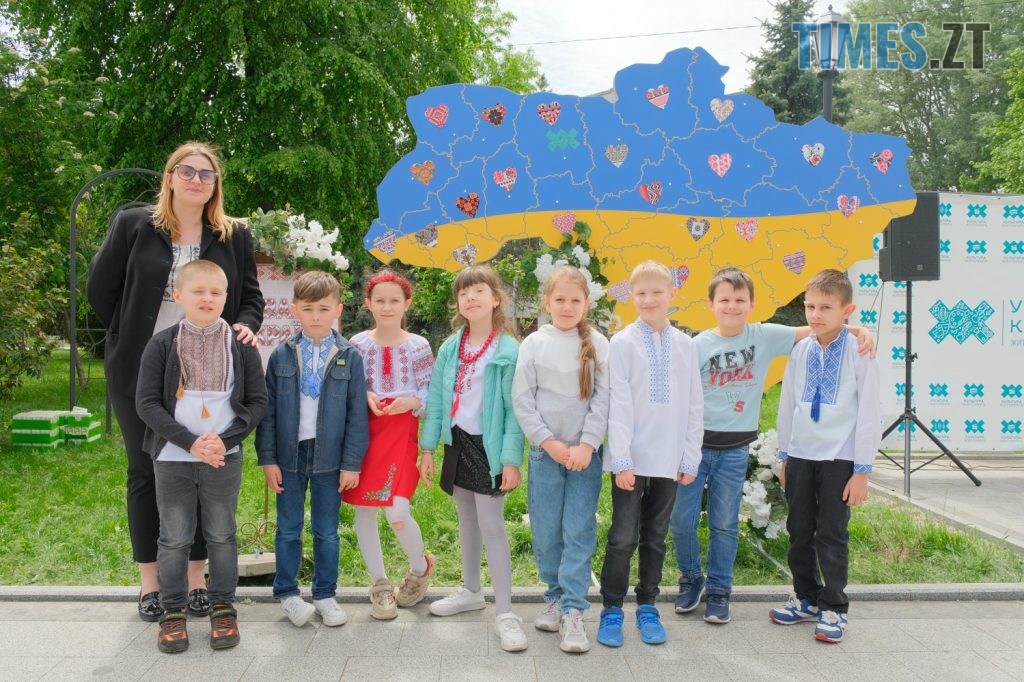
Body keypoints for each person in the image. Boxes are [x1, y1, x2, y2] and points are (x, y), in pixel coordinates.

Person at [87, 141, 264, 622]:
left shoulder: (232, 236)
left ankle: (194, 579)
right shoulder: (133, 225)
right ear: (169, 177)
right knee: (145, 471)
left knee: (204, 465)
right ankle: (151, 583)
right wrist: (128, 333)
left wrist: (245, 325)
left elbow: (249, 297)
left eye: (206, 174)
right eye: (187, 171)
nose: (196, 180)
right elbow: (100, 288)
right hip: (140, 369)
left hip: (210, 370)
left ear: (215, 185)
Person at [669, 268, 875, 624]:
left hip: (761, 452)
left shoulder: (768, 337)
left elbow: (823, 332)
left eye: (740, 300)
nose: (732, 306)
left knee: (734, 524)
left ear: (752, 304)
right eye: (724, 299)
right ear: (710, 304)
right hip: (709, 450)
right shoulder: (700, 345)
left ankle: (727, 591)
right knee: (686, 521)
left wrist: (858, 330)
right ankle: (697, 579)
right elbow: (786, 402)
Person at [134, 259, 267, 653]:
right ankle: (173, 610)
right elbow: (146, 403)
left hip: (224, 457)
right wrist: (191, 443)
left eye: (215, 292)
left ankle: (222, 605)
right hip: (173, 458)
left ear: (226, 297)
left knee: (222, 534)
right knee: (174, 536)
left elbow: (257, 402)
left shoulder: (241, 345)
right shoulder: (162, 344)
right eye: (198, 291)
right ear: (178, 296)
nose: (207, 298)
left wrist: (223, 442)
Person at [768, 269, 881, 644]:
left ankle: (834, 606)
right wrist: (785, 455)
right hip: (801, 455)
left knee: (831, 533)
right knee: (799, 530)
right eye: (810, 306)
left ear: (847, 310)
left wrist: (862, 470)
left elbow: (869, 411)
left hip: (840, 458)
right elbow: (788, 404)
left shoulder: (860, 352)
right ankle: (806, 597)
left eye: (826, 307)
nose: (816, 314)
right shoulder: (800, 350)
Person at [418, 265, 527, 652]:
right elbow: (435, 399)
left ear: (496, 299)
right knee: (466, 519)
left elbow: (515, 411)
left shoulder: (509, 350)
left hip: (489, 448)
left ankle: (506, 613)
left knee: (492, 525)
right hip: (457, 443)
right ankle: (471, 591)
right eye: (463, 293)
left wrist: (511, 459)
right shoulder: (451, 347)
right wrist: (427, 449)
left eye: (479, 290)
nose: (470, 298)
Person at [596, 260, 703, 648]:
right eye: (641, 293)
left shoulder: (686, 345)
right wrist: (622, 459)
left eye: (657, 292)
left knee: (655, 536)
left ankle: (647, 606)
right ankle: (611, 608)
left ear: (672, 294)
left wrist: (690, 457)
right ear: (631, 296)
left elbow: (694, 404)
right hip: (631, 460)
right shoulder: (622, 343)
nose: (649, 299)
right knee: (623, 536)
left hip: (670, 461)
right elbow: (619, 404)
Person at [255, 271, 368, 628]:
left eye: (323, 309)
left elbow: (357, 415)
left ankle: (325, 594)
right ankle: (288, 594)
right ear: (294, 310)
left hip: (330, 460)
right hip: (288, 457)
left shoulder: (349, 357)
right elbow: (267, 412)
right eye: (308, 309)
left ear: (338, 309)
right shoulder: (281, 356)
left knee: (326, 531)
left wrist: (351, 463)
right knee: (288, 529)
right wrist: (268, 458)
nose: (316, 316)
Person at [512, 265, 610, 653]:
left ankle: (573, 609)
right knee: (547, 529)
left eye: (575, 300)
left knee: (578, 530)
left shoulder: (598, 343)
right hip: (546, 454)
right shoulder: (534, 343)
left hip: (585, 456)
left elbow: (603, 398)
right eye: (560, 299)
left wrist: (587, 445)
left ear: (586, 304)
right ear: (546, 302)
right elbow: (523, 399)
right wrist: (548, 442)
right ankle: (554, 597)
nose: (567, 307)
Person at [346, 270, 436, 620]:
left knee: (397, 511)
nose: (387, 307)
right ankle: (380, 584)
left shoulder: (418, 346)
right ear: (368, 303)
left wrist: (412, 402)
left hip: (401, 432)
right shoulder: (357, 344)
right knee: (364, 509)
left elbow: (431, 394)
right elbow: (349, 386)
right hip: (364, 431)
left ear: (406, 304)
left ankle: (420, 568)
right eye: (380, 300)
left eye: (394, 301)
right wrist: (365, 394)